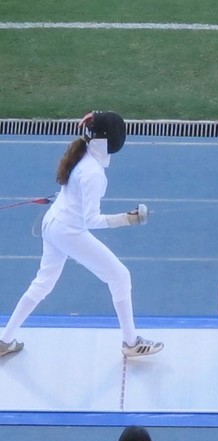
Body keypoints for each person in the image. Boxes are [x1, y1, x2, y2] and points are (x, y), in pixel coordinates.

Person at [0, 111, 163, 358]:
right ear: (108, 140)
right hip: (68, 231)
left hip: (53, 224)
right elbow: (91, 220)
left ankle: (4, 341)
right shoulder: (94, 173)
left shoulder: (81, 153)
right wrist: (128, 219)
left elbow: (73, 194)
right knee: (120, 276)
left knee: (42, 284)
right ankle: (130, 343)